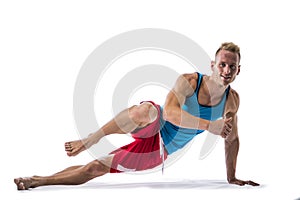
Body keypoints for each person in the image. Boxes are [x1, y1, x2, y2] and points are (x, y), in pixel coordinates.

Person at [14, 42, 259, 190]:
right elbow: (172, 113)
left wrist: (232, 176)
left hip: (160, 149)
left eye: (232, 66)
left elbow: (232, 139)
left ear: (239, 70)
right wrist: (209, 126)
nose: (226, 70)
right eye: (222, 64)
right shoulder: (189, 81)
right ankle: (92, 138)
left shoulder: (232, 101)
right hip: (157, 123)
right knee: (148, 110)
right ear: (213, 65)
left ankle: (38, 180)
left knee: (94, 168)